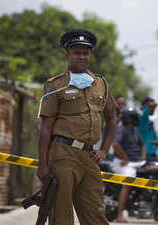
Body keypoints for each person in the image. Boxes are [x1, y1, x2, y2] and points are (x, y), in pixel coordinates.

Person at [37, 29, 116, 225]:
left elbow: (112, 119)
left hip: (90, 157)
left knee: (96, 212)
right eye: (77, 52)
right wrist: (43, 163)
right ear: (67, 55)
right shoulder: (55, 85)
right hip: (63, 153)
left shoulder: (101, 84)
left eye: (85, 52)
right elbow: (46, 127)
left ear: (90, 55)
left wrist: (104, 150)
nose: (81, 56)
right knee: (61, 214)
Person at [111, 108, 146, 223]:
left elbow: (142, 145)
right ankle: (120, 215)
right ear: (130, 118)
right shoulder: (122, 129)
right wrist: (125, 157)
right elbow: (115, 144)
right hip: (123, 162)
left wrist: (143, 157)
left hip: (136, 161)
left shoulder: (134, 130)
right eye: (135, 116)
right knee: (128, 181)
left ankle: (155, 211)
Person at [136, 97, 158, 162]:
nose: (153, 109)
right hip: (145, 154)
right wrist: (151, 105)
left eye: (153, 108)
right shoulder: (141, 117)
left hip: (152, 154)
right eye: (150, 107)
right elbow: (144, 112)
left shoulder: (148, 120)